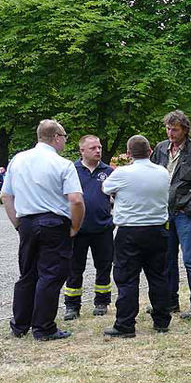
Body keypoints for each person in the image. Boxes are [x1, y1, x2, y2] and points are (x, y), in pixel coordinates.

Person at [1, 119, 84, 341]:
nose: (65, 141)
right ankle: (44, 327)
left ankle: (19, 324)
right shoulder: (63, 164)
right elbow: (75, 200)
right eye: (65, 137)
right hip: (54, 224)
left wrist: (18, 223)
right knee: (51, 274)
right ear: (56, 137)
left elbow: (6, 195)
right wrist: (75, 226)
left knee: (27, 274)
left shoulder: (18, 160)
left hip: (27, 222)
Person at [101, 135, 172, 338]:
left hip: (129, 231)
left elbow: (105, 189)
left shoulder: (122, 173)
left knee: (127, 278)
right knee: (158, 276)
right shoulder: (162, 172)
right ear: (150, 151)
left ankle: (125, 324)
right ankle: (161, 320)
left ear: (128, 153)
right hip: (157, 229)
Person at [151, 110, 191, 319]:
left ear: (184, 129)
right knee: (167, 259)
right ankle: (170, 301)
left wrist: (190, 207)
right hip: (164, 212)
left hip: (185, 213)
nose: (170, 133)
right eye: (168, 128)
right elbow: (151, 175)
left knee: (190, 259)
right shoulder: (160, 149)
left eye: (174, 129)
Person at [63, 135, 114, 321]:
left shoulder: (108, 171)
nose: (98, 150)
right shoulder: (71, 171)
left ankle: (101, 302)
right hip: (78, 229)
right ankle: (72, 305)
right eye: (93, 148)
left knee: (104, 266)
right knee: (74, 268)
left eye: (99, 147)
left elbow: (119, 197)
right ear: (82, 150)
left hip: (103, 229)